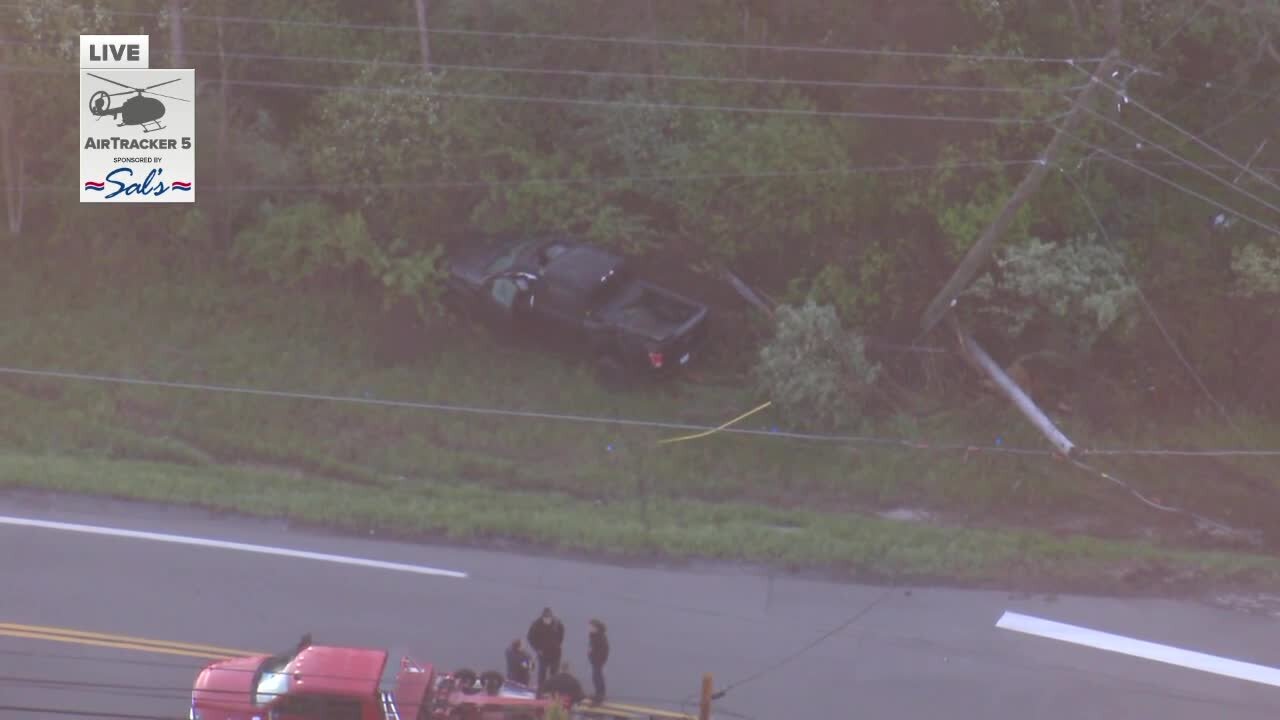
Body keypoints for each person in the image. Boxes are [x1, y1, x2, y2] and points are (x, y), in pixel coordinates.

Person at [526, 607, 565, 695]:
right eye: (545, 619)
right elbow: (530, 638)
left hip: (555, 653)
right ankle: (540, 691)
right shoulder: (536, 624)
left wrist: (558, 644)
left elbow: (561, 634)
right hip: (542, 653)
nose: (547, 620)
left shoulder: (557, 623)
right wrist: (537, 649)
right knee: (542, 672)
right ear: (542, 618)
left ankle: (553, 691)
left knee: (554, 673)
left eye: (549, 618)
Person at [587, 619, 609, 704]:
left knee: (597, 676)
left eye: (591, 627)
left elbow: (605, 650)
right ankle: (598, 693)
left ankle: (600, 695)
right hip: (594, 659)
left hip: (598, 660)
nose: (589, 628)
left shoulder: (600, 637)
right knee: (596, 676)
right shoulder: (593, 635)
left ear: (596, 627)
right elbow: (592, 647)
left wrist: (597, 658)